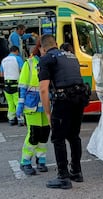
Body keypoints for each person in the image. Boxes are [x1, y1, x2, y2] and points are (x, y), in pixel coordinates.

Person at [38, 34, 88, 189]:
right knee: (74, 136)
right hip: (79, 98)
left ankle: (63, 177)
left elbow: (44, 89)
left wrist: (47, 113)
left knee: (58, 138)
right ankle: (76, 172)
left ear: (43, 48)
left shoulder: (46, 59)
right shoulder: (71, 56)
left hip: (64, 100)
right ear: (56, 43)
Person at [16, 39, 51, 176]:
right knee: (34, 134)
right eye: (45, 49)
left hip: (46, 105)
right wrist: (20, 105)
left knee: (44, 134)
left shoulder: (49, 63)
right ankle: (25, 161)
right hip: (32, 105)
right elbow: (22, 86)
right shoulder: (29, 64)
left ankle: (41, 159)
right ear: (40, 48)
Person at [0, 46, 24, 126]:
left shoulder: (4, 60)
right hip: (16, 84)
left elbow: (1, 74)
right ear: (16, 51)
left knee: (10, 103)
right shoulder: (18, 58)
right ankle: (20, 119)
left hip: (7, 84)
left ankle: (11, 119)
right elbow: (23, 70)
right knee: (17, 102)